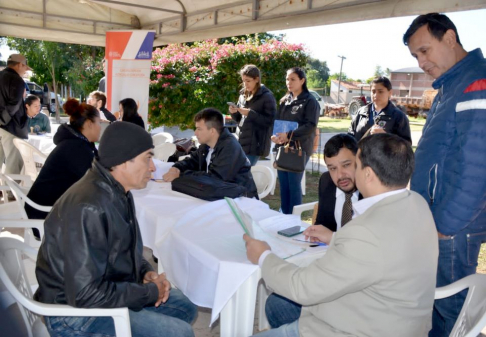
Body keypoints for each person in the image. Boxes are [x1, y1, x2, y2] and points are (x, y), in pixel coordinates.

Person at [245, 133, 438, 337]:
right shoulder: (417, 203)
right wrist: (335, 238)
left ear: (368, 174)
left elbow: (302, 287)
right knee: (278, 305)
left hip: (354, 326)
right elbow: (382, 251)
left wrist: (263, 256)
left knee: (284, 301)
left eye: (355, 164)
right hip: (397, 320)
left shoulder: (365, 231)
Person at [34, 121, 197, 337]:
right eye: (148, 157)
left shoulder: (119, 191)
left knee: (186, 308)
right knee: (180, 333)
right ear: (122, 161)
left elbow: (126, 250)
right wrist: (147, 293)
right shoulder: (89, 207)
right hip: (72, 314)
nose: (153, 167)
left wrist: (144, 273)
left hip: (102, 290)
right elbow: (85, 294)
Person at [403, 13, 486, 337]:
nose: (421, 62)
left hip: (453, 226)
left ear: (449, 38)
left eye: (424, 51)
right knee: (441, 308)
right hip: (440, 220)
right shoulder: (451, 85)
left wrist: (446, 224)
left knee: (453, 315)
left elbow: (476, 166)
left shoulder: (475, 82)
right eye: (415, 56)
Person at [264, 133, 363, 328]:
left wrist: (333, 237)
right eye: (332, 168)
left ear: (360, 160)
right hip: (330, 269)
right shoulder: (327, 182)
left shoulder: (373, 193)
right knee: (277, 302)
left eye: (346, 165)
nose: (339, 175)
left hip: (357, 286)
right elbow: (321, 228)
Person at [25, 98, 100, 220]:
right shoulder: (76, 148)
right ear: (89, 124)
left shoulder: (76, 143)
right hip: (45, 215)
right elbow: (96, 181)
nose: (100, 128)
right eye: (99, 122)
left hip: (42, 209)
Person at [163, 108, 258, 198]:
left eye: (199, 129)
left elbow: (215, 178)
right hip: (220, 195)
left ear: (212, 131)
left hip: (243, 200)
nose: (195, 133)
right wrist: (176, 168)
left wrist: (181, 175)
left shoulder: (230, 147)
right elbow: (192, 161)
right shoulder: (207, 145)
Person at [272, 67, 319, 214]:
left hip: (300, 148)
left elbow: (310, 126)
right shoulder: (284, 100)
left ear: (302, 81)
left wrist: (289, 134)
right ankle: (284, 214)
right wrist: (275, 136)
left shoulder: (310, 101)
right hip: (282, 147)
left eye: (293, 79)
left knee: (293, 183)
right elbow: (277, 122)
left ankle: (295, 218)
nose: (289, 82)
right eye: (287, 79)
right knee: (283, 184)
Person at [229, 64, 276, 166]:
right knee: (240, 175)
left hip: (256, 145)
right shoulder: (243, 94)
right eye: (243, 80)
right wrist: (234, 112)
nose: (245, 84)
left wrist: (250, 113)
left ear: (257, 79)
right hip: (241, 141)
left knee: (243, 175)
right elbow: (239, 120)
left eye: (248, 81)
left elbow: (269, 121)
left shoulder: (267, 96)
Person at [348, 76, 411, 143]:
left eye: (380, 92)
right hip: (361, 153)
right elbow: (350, 135)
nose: (376, 95)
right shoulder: (361, 112)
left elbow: (406, 145)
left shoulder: (399, 116)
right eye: (373, 91)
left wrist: (386, 137)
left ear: (390, 93)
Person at [0, 54, 30, 175]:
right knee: (14, 163)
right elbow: (14, 104)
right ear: (19, 65)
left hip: (4, 124)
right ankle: (11, 193)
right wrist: (2, 120)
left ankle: (6, 191)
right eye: (25, 68)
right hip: (10, 126)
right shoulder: (16, 79)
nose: (25, 71)